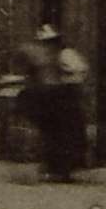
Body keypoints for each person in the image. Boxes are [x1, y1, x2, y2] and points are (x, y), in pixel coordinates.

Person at [29, 23, 89, 182]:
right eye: (44, 42)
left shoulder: (66, 54)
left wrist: (66, 78)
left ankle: (64, 169)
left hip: (66, 96)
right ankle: (54, 167)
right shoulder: (47, 56)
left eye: (50, 42)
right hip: (52, 97)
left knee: (66, 133)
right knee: (52, 133)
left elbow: (81, 69)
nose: (47, 45)